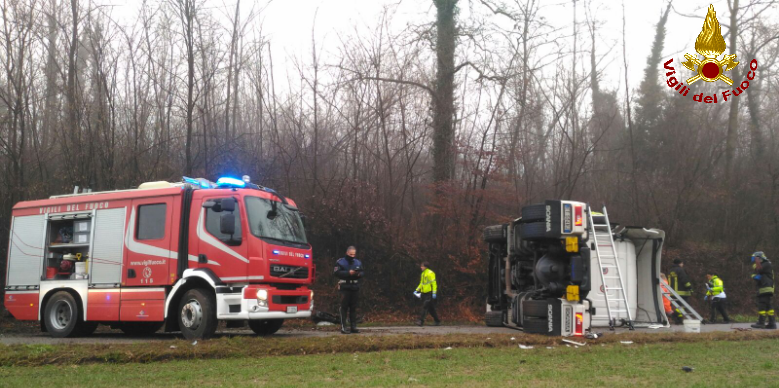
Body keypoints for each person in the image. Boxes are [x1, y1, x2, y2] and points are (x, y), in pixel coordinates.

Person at [334, 246, 364, 334]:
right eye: (351, 254)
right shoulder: (340, 262)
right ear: (347, 253)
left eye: (354, 254)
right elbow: (336, 272)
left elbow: (362, 272)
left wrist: (358, 274)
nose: (352, 256)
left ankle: (353, 326)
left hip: (354, 286)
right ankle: (344, 327)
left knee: (353, 307)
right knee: (344, 307)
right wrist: (348, 273)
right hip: (345, 286)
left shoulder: (358, 262)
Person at [750, 252, 776, 329]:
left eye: (756, 259)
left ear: (760, 258)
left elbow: (758, 269)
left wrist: (754, 275)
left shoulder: (766, 264)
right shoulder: (766, 265)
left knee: (762, 304)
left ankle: (761, 323)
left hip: (766, 287)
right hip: (765, 287)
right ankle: (772, 323)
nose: (755, 261)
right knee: (768, 306)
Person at [414, 261, 441, 326]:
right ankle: (437, 321)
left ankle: (420, 321)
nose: (421, 267)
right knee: (431, 308)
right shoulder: (423, 274)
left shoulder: (430, 273)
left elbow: (434, 283)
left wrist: (434, 292)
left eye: (422, 266)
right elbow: (421, 283)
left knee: (425, 306)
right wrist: (417, 290)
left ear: (425, 267)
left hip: (430, 293)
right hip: (424, 293)